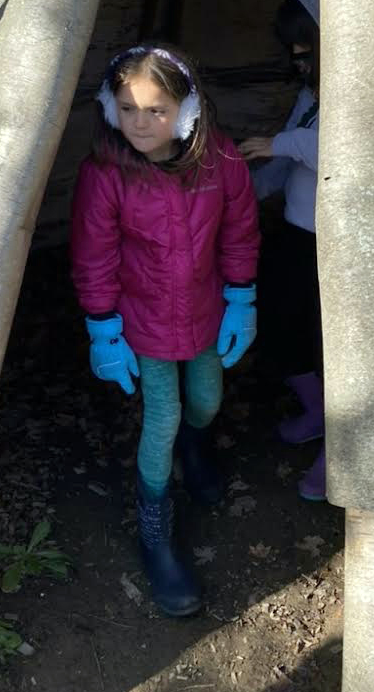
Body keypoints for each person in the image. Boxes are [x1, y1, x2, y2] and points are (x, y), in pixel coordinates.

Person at [71, 45, 260, 616]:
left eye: (156, 108)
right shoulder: (106, 174)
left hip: (203, 312)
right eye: (127, 107)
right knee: (165, 415)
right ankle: (155, 530)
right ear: (110, 109)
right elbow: (94, 255)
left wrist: (241, 296)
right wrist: (103, 327)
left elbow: (240, 231)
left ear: (187, 108)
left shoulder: (220, 160)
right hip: (144, 322)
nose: (140, 121)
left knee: (205, 398)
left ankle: (196, 448)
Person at [239, 0, 325, 502]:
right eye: (293, 51)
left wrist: (282, 142)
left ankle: (339, 448)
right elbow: (283, 161)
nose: (297, 57)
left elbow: (337, 151)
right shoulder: (310, 94)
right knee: (281, 323)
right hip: (298, 231)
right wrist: (246, 194)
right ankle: (317, 411)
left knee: (327, 342)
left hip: (337, 244)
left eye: (306, 48)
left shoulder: (362, 92)